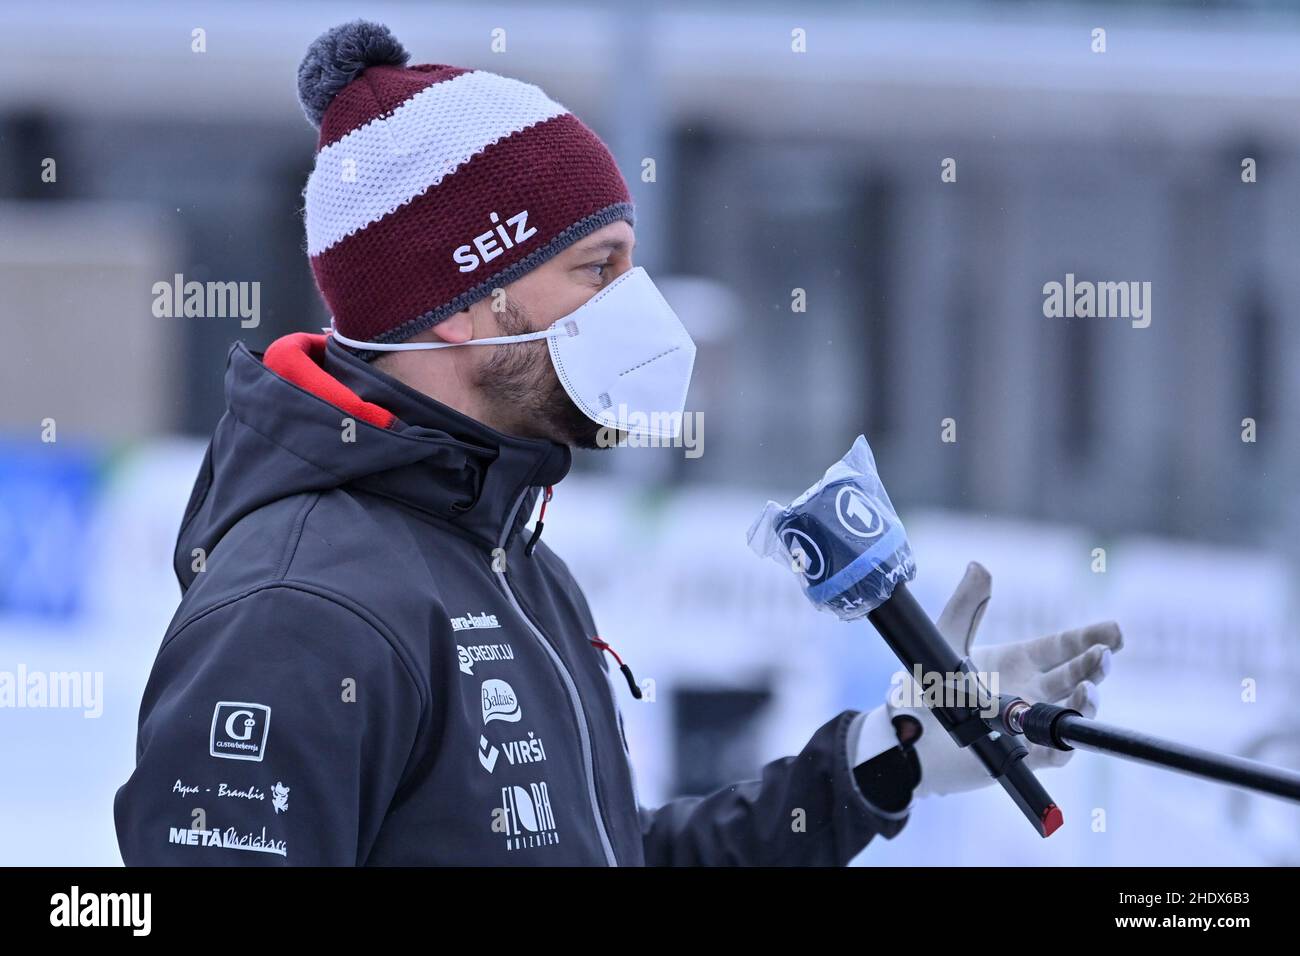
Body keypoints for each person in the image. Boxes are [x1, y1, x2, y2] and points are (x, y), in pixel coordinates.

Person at [113, 20, 1122, 866]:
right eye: (597, 270)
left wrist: (882, 755)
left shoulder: (511, 561)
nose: (635, 309)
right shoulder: (303, 610)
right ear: (462, 301)